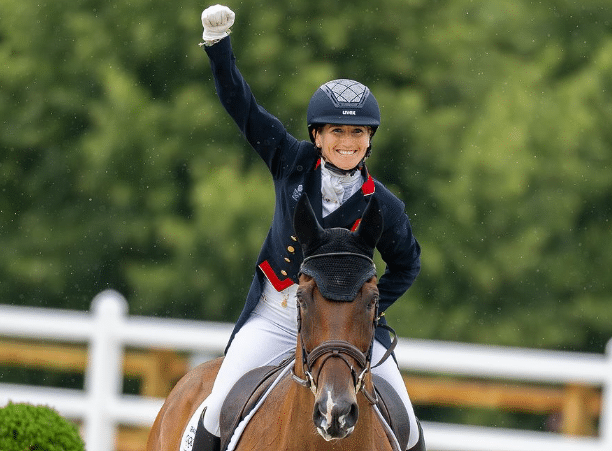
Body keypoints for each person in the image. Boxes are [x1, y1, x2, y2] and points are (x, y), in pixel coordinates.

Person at [193, 5, 425, 451]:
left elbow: (407, 265)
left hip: (347, 327)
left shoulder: (385, 205)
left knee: (410, 429)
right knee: (217, 411)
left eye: (358, 133)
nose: (347, 141)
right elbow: (244, 108)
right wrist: (219, 48)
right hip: (278, 315)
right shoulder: (291, 162)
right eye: (337, 130)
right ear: (317, 136)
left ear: (370, 139)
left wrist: (367, 308)